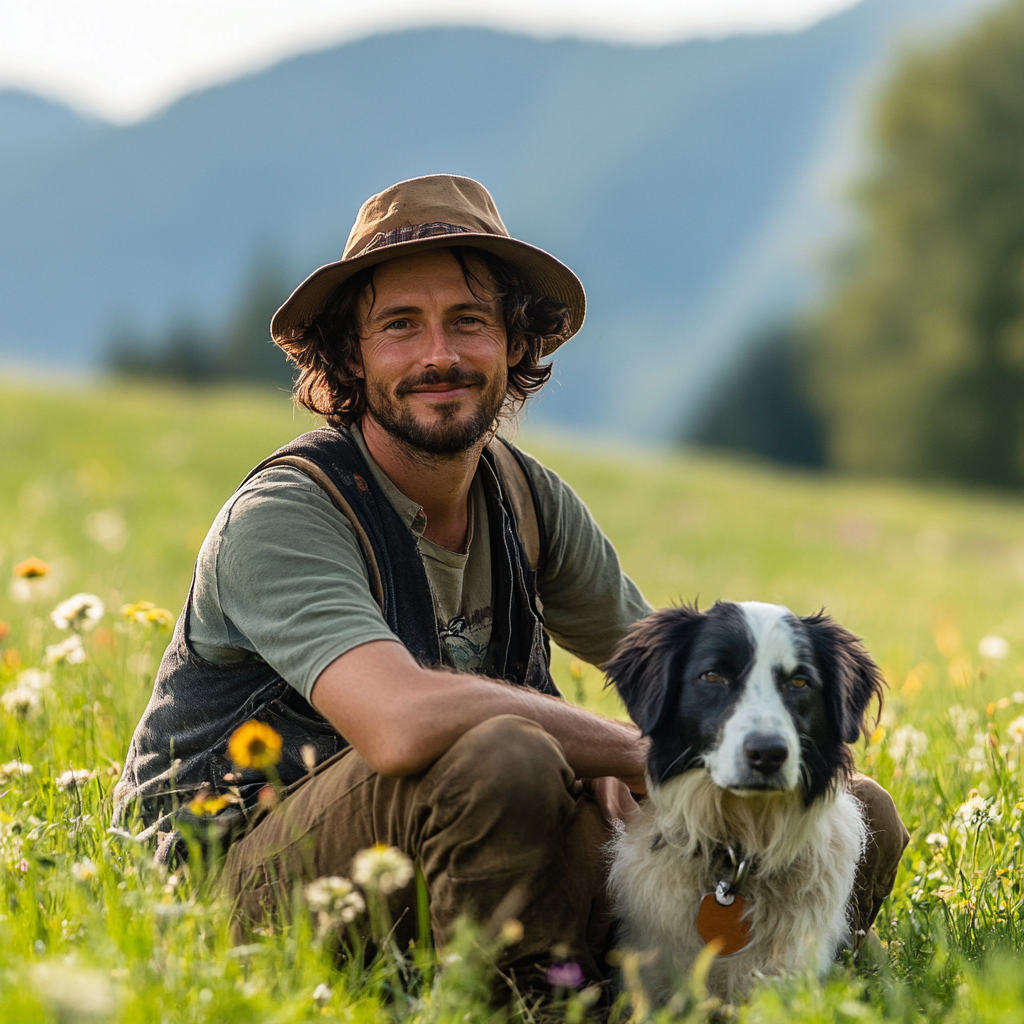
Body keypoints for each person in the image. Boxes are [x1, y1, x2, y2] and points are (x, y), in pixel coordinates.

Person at [114, 174, 907, 990]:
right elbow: (401, 722)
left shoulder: (525, 498)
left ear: (515, 344)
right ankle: (533, 1006)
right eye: (400, 326)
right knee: (507, 756)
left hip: (455, 845)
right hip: (228, 885)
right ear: (350, 355)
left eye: (469, 322)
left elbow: (684, 681)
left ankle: (730, 988)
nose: (440, 355)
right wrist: (633, 754)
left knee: (858, 816)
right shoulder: (285, 514)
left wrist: (674, 752)